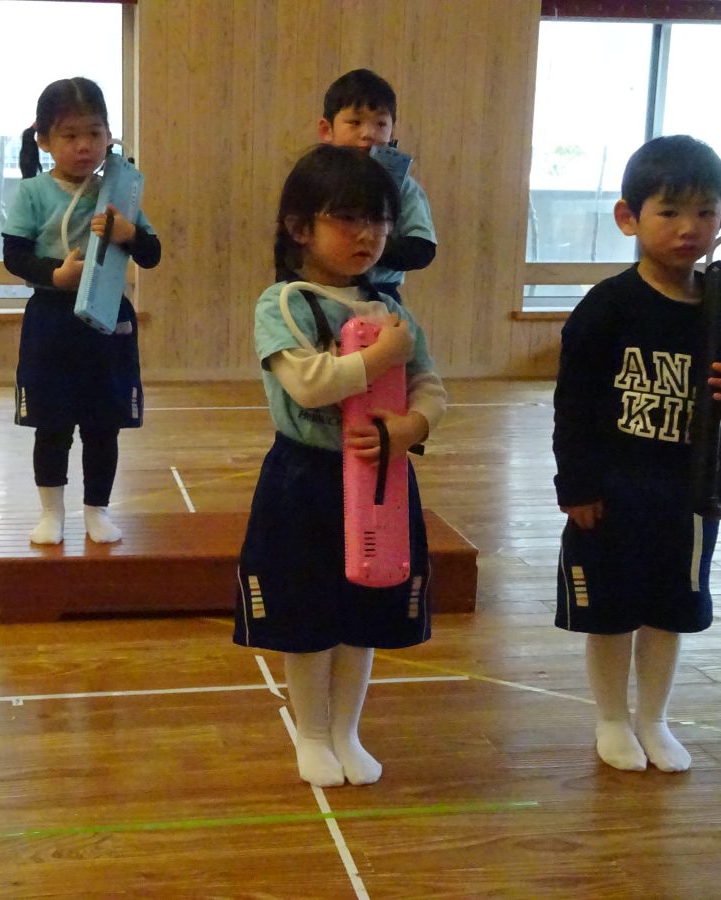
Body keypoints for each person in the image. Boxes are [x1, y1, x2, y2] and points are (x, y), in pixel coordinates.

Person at [553, 135, 721, 773]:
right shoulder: (609, 305)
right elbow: (573, 403)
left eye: (705, 212)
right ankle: (610, 718)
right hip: (616, 490)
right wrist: (577, 486)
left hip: (692, 490)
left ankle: (653, 717)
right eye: (670, 212)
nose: (688, 228)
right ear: (629, 217)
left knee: (672, 609)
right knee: (611, 611)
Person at [234, 144, 447, 787]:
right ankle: (312, 733)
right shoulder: (284, 302)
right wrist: (381, 359)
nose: (367, 235)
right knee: (307, 616)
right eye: (348, 218)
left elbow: (430, 385)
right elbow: (309, 384)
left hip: (383, 477)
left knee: (365, 611)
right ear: (301, 227)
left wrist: (412, 427)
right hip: (305, 480)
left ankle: (347, 732)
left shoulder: (392, 311)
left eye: (378, 220)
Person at [2, 77, 161, 546]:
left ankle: (97, 509)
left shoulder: (120, 190)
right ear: (44, 140)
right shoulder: (33, 192)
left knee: (103, 424)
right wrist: (56, 275)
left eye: (94, 133)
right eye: (69, 135)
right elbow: (15, 256)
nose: (83, 145)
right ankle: (51, 512)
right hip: (51, 320)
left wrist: (130, 234)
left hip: (108, 317)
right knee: (51, 424)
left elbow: (151, 253)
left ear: (109, 134)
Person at [318, 68, 437, 302]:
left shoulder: (403, 187)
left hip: (380, 294)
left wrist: (368, 246)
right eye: (355, 122)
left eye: (381, 124)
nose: (368, 134)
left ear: (393, 130)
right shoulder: (313, 180)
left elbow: (422, 248)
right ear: (326, 130)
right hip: (319, 291)